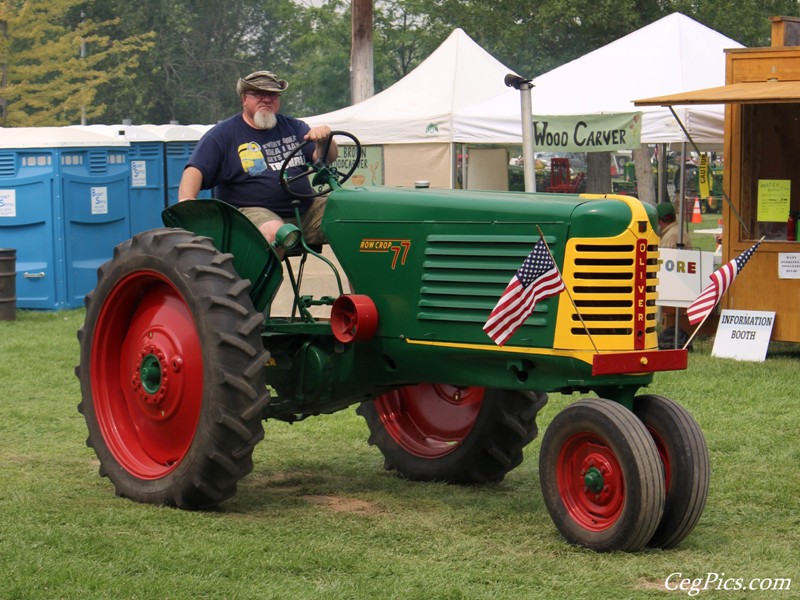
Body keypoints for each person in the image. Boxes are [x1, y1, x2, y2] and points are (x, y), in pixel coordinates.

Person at [178, 70, 338, 245]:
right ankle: (272, 273)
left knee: (354, 215)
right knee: (276, 233)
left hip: (305, 211)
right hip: (251, 214)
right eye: (259, 94)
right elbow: (195, 169)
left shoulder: (292, 126)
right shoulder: (223, 134)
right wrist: (187, 205)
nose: (267, 99)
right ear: (244, 99)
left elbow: (325, 157)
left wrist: (325, 139)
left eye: (272, 95)